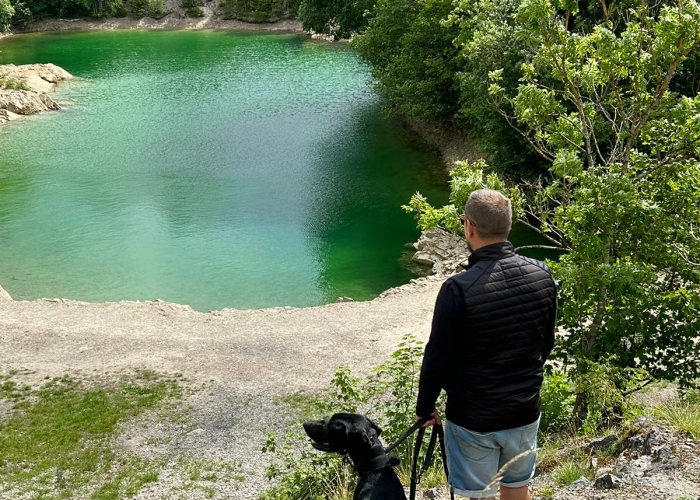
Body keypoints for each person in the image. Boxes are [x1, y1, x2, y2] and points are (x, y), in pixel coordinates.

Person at [415, 189, 557, 500]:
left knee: (478, 496)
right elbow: (546, 344)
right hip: (524, 410)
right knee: (517, 487)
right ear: (510, 224)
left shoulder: (457, 289)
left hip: (474, 417)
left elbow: (437, 357)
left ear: (468, 226)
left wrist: (425, 408)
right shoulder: (542, 274)